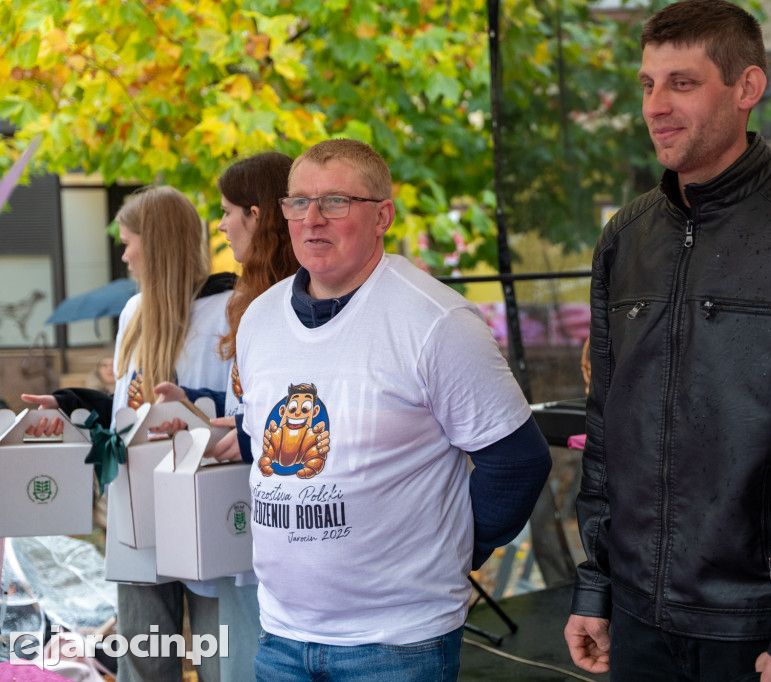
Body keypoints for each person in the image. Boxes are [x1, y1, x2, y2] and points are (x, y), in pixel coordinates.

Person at [563, 2, 771, 680]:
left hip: (761, 627)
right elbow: (606, 432)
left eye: (682, 82)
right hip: (636, 620)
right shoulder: (625, 237)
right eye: (647, 84)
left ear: (747, 88)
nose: (656, 105)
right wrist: (595, 584)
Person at [232, 138, 551, 682]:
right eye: (297, 202)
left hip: (397, 644)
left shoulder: (435, 321)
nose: (312, 219)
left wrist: (456, 549)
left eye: (335, 201)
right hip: (282, 634)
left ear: (382, 215)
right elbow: (254, 443)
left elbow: (518, 461)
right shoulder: (258, 319)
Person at [25, 185, 235, 682]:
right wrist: (72, 402)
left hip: (206, 501)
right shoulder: (134, 313)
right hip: (138, 508)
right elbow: (129, 410)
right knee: (143, 659)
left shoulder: (230, 310)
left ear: (156, 243)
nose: (123, 254)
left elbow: (241, 410)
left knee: (219, 658)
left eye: (129, 241)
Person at [154, 150, 299, 681]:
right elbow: (256, 405)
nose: (220, 224)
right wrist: (198, 408)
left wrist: (241, 430)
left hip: (292, 534)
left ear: (258, 215)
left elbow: (317, 410)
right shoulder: (252, 299)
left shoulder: (293, 301)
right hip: (254, 526)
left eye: (227, 211)